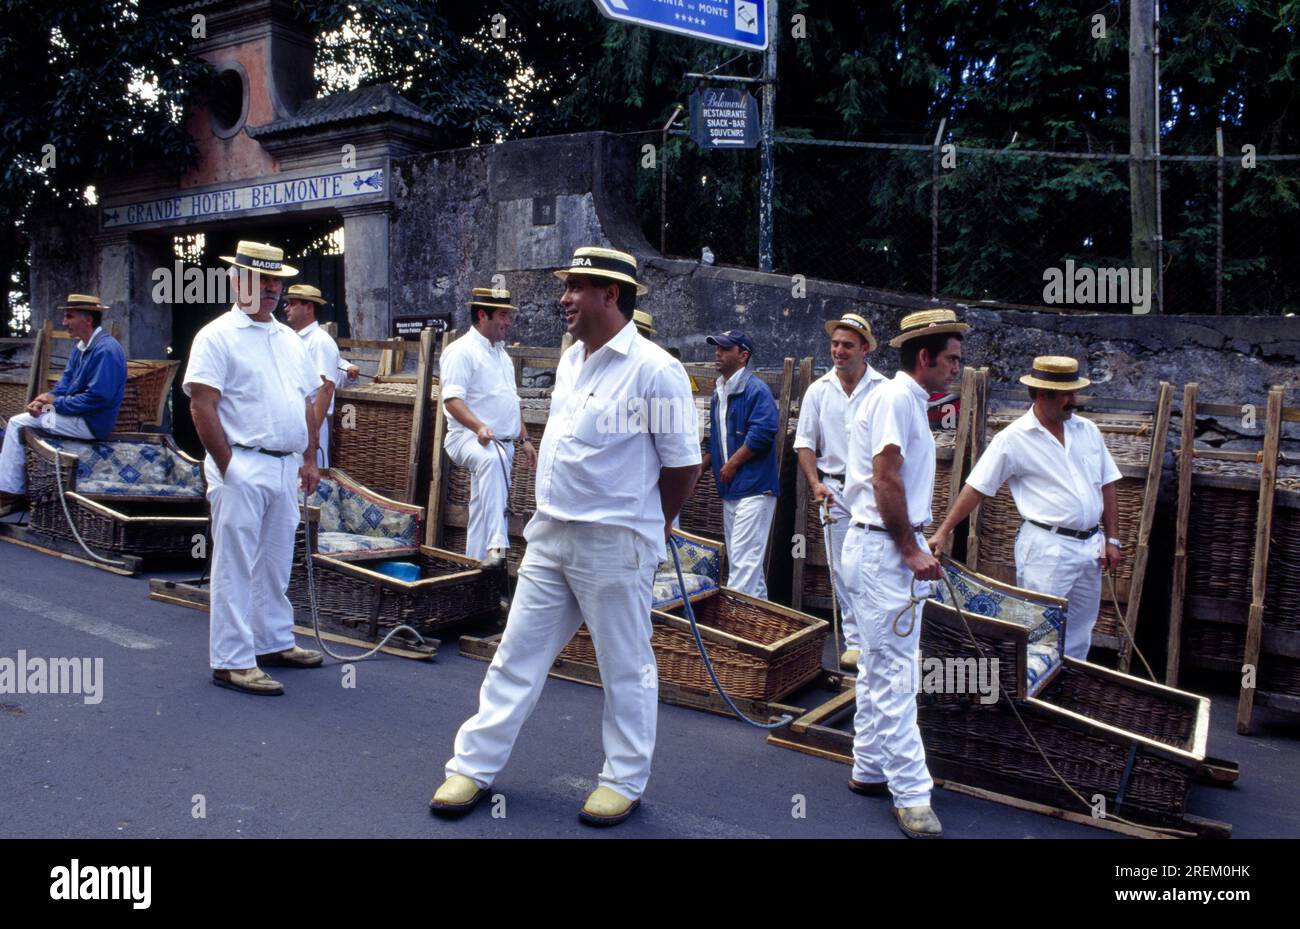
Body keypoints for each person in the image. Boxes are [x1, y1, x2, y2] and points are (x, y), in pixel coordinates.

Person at [430, 246, 700, 827]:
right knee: (515, 655)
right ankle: (471, 767)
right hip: (551, 535)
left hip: (615, 541)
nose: (563, 297)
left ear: (611, 296)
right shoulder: (573, 359)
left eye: (576, 287)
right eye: (567, 285)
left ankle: (623, 780)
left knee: (624, 666)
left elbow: (684, 466)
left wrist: (654, 524)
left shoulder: (657, 370)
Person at [841, 308, 967, 839]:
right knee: (896, 671)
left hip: (877, 545)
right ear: (925, 358)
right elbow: (884, 477)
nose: (958, 368)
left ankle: (869, 764)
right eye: (953, 359)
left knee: (878, 661)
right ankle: (913, 793)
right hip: (881, 549)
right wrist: (911, 549)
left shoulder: (907, 400)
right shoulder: (896, 399)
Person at [183, 240, 325, 696]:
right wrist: (228, 466)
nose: (269, 289)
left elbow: (307, 401)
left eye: (274, 280)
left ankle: (272, 641)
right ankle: (231, 660)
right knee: (235, 565)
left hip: (284, 466)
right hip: (241, 462)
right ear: (235, 280)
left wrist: (308, 458)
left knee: (275, 561)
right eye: (259, 279)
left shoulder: (287, 338)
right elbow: (202, 407)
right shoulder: (216, 335)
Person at [928, 356, 1122, 660]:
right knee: (1040, 629)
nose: (1074, 401)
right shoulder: (1013, 438)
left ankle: (1067, 690)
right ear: (1043, 394)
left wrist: (1112, 539)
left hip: (1091, 547)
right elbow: (976, 487)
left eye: (1074, 392)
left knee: (1081, 630)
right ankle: (1036, 692)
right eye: (1067, 394)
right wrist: (942, 532)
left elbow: (1107, 483)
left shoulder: (1087, 431)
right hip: (1047, 548)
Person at [793, 312, 886, 670]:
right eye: (834, 344)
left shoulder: (883, 389)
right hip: (832, 488)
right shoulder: (818, 390)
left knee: (873, 565)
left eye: (847, 344)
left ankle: (877, 638)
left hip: (871, 490)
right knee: (842, 569)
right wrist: (815, 483)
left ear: (865, 349)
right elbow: (804, 444)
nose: (838, 350)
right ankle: (856, 642)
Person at [0, 295, 127, 516]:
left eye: (69, 316)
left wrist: (54, 403)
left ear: (88, 320)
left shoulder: (106, 350)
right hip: (75, 415)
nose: (64, 322)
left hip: (91, 423)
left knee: (18, 423)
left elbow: (97, 398)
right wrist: (44, 400)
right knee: (30, 417)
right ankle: (16, 488)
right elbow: (64, 385)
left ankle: (10, 492)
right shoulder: (81, 348)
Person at [438, 287, 536, 569]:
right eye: (503, 315)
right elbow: (452, 400)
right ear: (483, 315)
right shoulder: (460, 351)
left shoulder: (503, 356)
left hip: (503, 443)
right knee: (490, 462)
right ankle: (498, 545)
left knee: (481, 508)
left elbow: (511, 402)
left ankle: (471, 570)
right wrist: (479, 426)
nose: (509, 322)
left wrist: (525, 438)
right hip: (466, 438)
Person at [703, 329, 779, 598]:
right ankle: (760, 630)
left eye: (725, 348)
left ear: (743, 355)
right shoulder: (719, 392)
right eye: (717, 347)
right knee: (746, 565)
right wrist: (703, 467)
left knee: (743, 567)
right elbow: (716, 438)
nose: (717, 353)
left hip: (755, 489)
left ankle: (730, 633)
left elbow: (764, 432)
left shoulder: (756, 389)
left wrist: (732, 463)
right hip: (733, 490)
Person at [281, 284, 342, 468]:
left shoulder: (320, 341)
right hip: (294, 421)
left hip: (311, 421)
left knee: (308, 481)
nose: (286, 308)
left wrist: (312, 431)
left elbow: (326, 388)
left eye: (292, 304)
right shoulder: (293, 339)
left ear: (309, 307)